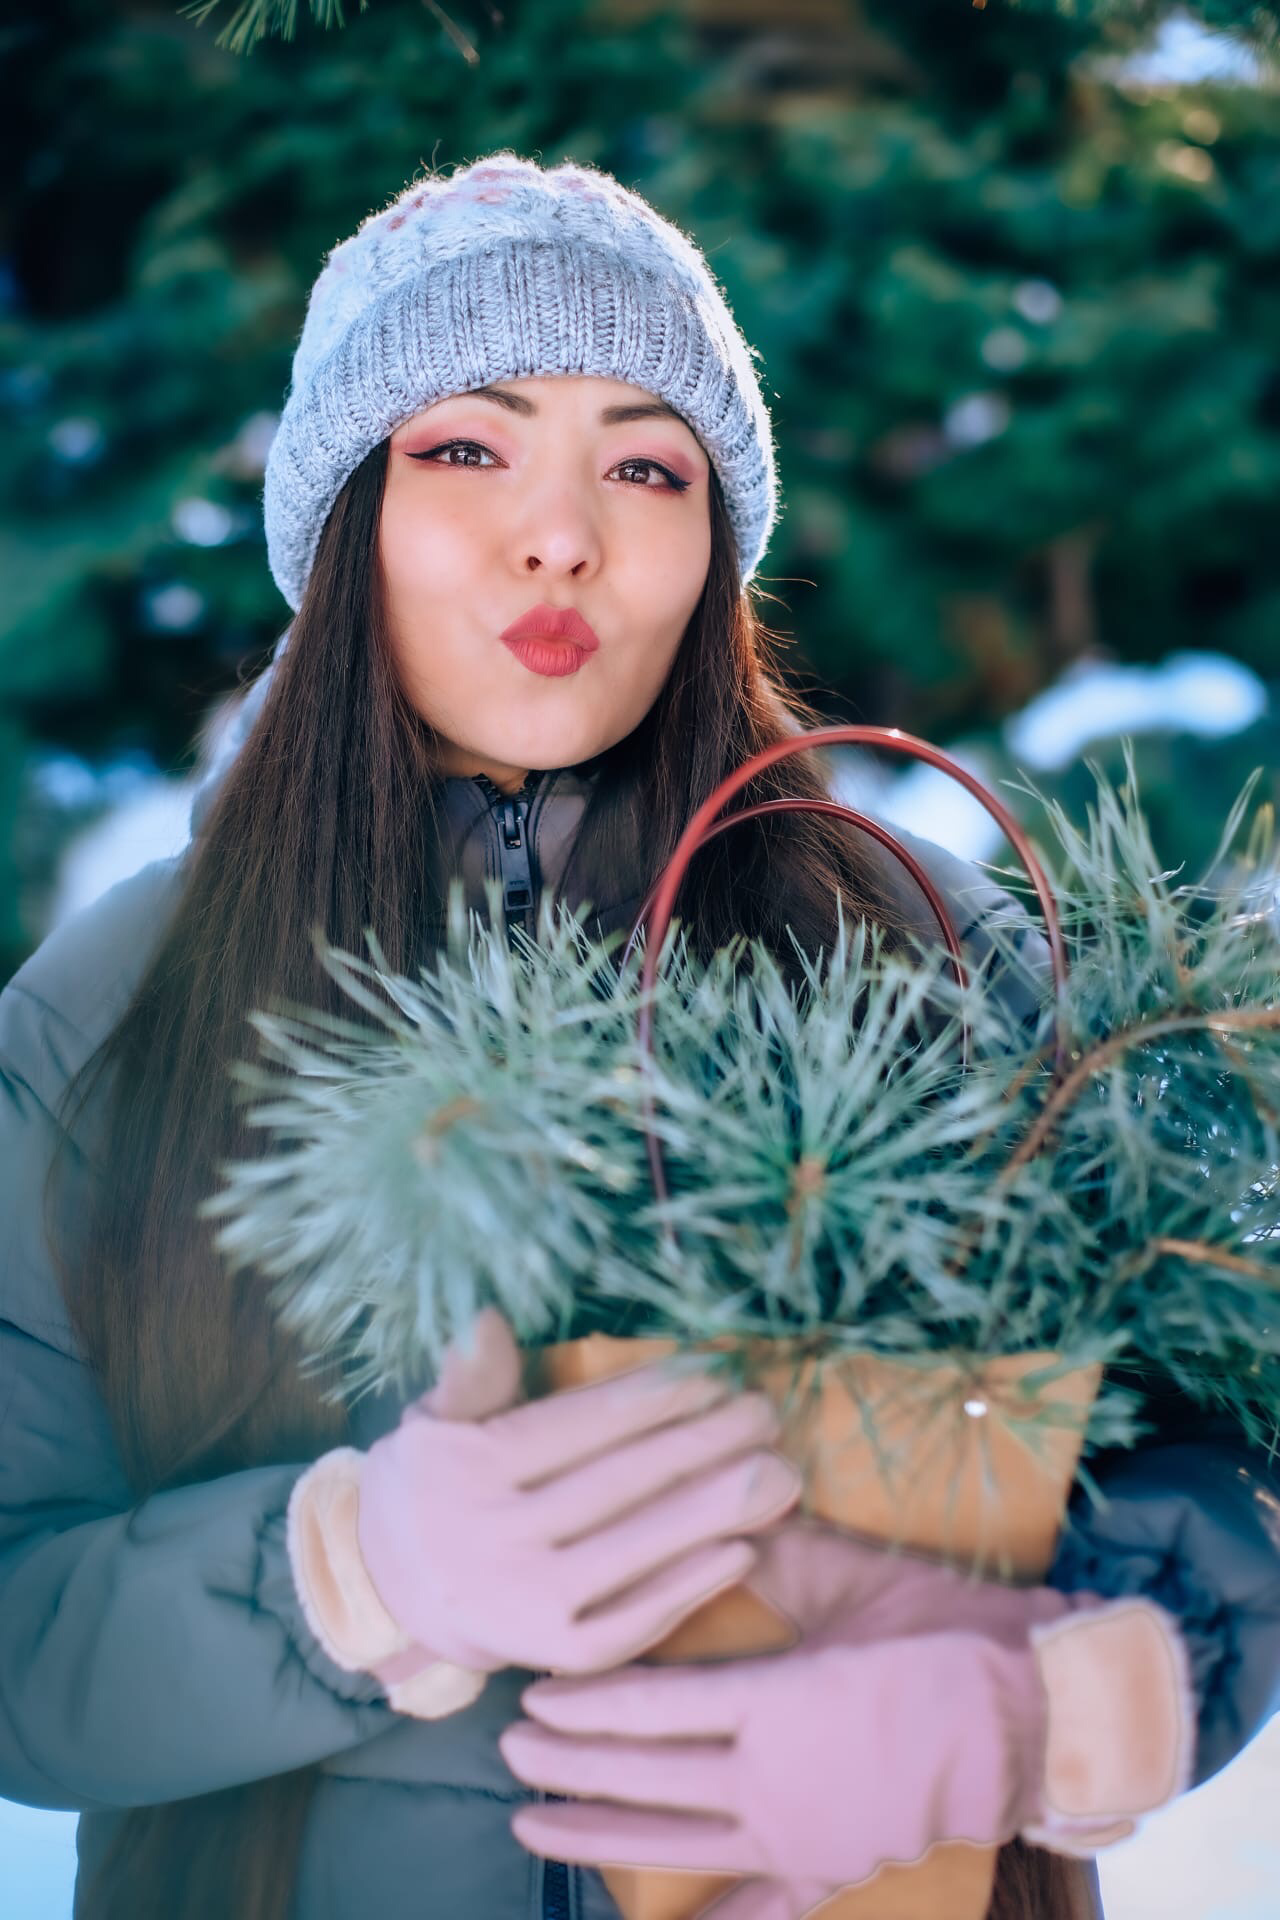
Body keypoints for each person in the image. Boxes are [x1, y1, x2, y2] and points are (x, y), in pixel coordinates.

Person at [0, 151, 1276, 1920]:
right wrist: (349, 1578)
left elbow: (1220, 1437)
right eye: (469, 446)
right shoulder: (113, 1017)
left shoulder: (927, 951)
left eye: (644, 463)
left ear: (714, 550)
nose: (564, 531)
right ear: (345, 506)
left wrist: (1057, 1700)